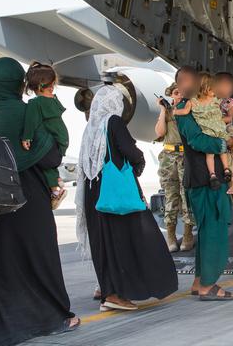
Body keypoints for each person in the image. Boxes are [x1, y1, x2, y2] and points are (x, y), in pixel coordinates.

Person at [0, 57, 80, 345]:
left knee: (2, 262)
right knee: (39, 257)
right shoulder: (29, 111)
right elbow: (52, 156)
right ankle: (52, 317)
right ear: (17, 83)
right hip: (29, 196)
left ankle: (2, 325)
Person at [76, 86, 177, 312]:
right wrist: (139, 162)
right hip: (116, 193)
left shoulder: (91, 127)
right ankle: (115, 294)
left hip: (95, 192)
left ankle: (106, 289)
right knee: (128, 239)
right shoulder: (113, 122)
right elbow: (129, 151)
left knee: (104, 242)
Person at [173, 66, 233, 301]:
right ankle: (208, 285)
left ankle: (200, 280)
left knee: (208, 230)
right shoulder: (184, 110)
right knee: (214, 230)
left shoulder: (199, 107)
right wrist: (225, 144)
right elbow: (198, 140)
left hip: (205, 178)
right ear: (182, 83)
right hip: (204, 180)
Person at [173, 72, 233, 191]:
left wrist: (174, 111)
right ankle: (226, 169)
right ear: (207, 88)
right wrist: (231, 108)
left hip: (208, 132)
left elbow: (185, 112)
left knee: (209, 155)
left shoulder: (192, 102)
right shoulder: (214, 99)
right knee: (223, 151)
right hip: (220, 130)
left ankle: (212, 175)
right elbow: (226, 105)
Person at [21, 62, 69, 210]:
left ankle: (55, 190)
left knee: (43, 161)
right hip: (61, 141)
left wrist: (26, 137)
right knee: (50, 165)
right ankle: (57, 183)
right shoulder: (53, 99)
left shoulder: (36, 103)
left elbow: (31, 122)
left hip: (51, 145)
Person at [154, 83, 195, 253]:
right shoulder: (168, 111)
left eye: (182, 93)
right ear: (171, 95)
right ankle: (170, 236)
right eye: (176, 93)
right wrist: (163, 111)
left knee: (187, 196)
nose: (179, 96)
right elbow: (159, 132)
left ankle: (187, 235)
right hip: (169, 157)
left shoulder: (190, 110)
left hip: (185, 156)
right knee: (171, 197)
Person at [213, 72, 233, 200]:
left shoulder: (227, 101)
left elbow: (229, 118)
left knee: (229, 160)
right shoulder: (214, 100)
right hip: (219, 132)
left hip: (225, 131)